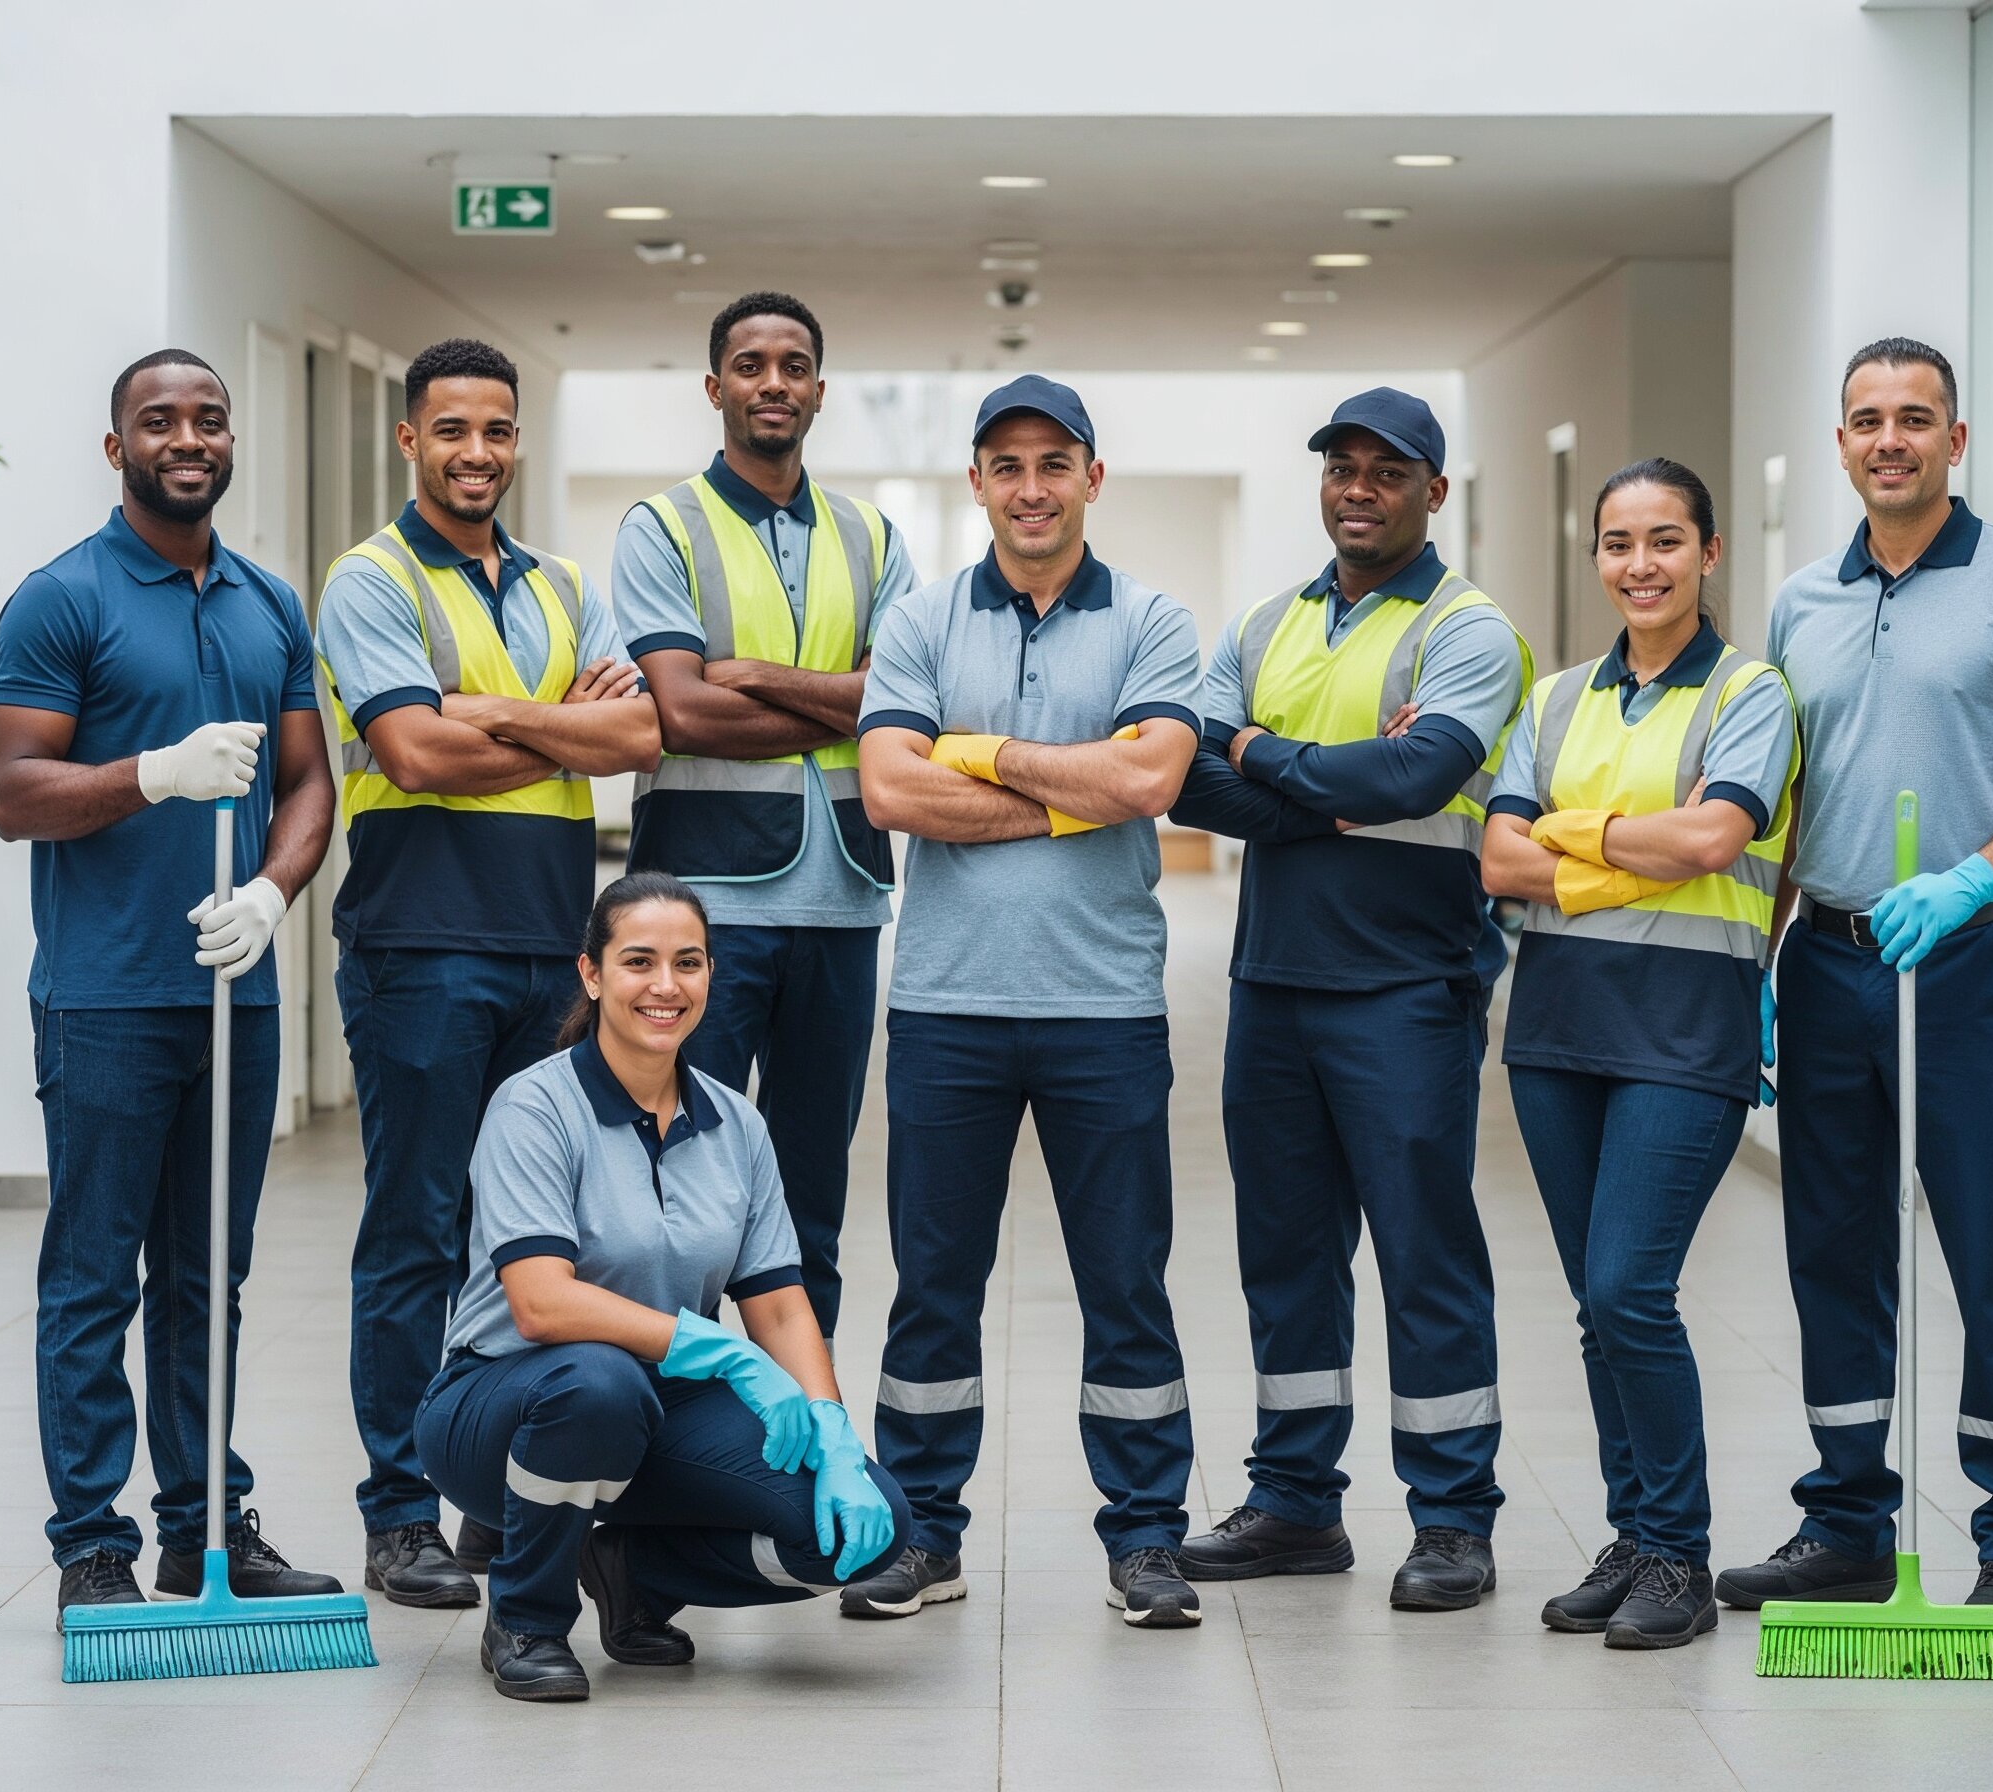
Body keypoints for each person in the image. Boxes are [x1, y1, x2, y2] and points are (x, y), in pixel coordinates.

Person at [1715, 338, 1993, 1614]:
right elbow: (1785, 794)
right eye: (1865, 419)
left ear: (1957, 438)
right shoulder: (1798, 603)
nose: (1889, 438)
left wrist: (1973, 877)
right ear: (1838, 443)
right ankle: (1843, 1522)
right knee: (1832, 1247)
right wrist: (1762, 954)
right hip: (1828, 960)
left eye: (1915, 417)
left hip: (1963, 958)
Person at [0, 349, 343, 1625]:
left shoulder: (267, 604)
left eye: (207, 419)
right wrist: (150, 774)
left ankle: (208, 1524)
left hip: (232, 998)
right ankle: (94, 1543)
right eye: (158, 421)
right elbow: (13, 794)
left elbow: (312, 783)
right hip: (105, 996)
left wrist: (270, 893)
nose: (187, 438)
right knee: (95, 1278)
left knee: (209, 1277)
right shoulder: (61, 599)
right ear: (116, 447)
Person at [845, 376, 1207, 1628]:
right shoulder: (922, 619)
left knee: (1125, 1280)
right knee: (933, 1280)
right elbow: (888, 790)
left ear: (1092, 477)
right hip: (947, 1004)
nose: (1032, 486)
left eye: (1055, 462)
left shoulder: (1155, 619)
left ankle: (1147, 1537)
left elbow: (1153, 772)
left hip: (1104, 1005)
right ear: (978, 483)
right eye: (1008, 464)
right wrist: (1075, 785)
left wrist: (976, 750)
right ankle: (921, 1531)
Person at [1167, 388, 1532, 1613]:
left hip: (1405, 989)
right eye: (1343, 468)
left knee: (1425, 1254)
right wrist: (1328, 786)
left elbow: (1420, 769)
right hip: (1271, 987)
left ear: (1434, 488)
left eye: (1389, 470)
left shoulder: (1469, 630)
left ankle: (1451, 1519)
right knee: (1285, 1255)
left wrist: (1264, 753)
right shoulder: (1268, 622)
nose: (1359, 488)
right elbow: (1185, 779)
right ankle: (1293, 1501)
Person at [315, 337, 662, 1608]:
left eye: (496, 431)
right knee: (416, 1232)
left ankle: (495, 1498)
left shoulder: (565, 581)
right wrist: (542, 714)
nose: (476, 452)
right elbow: (408, 752)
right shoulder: (369, 578)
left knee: (528, 1241)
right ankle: (400, 1509)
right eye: (451, 430)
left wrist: (488, 707)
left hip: (545, 960)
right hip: (420, 951)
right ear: (411, 440)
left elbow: (639, 732)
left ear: (517, 443)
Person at [418, 872, 906, 1700]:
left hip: (662, 1404)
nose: (665, 986)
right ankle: (526, 1621)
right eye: (639, 961)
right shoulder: (535, 1107)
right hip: (501, 1405)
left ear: (712, 975)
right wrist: (714, 1348)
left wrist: (832, 1428)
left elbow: (781, 1303)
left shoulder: (735, 1122)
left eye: (689, 962)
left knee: (865, 1531)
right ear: (592, 974)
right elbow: (540, 1303)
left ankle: (630, 1570)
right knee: (597, 1385)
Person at [1480, 458, 1798, 1649]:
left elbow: (1717, 832)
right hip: (1559, 1030)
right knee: (1592, 1304)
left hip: (1685, 1030)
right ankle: (1635, 1530)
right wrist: (1631, 848)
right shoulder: (1557, 697)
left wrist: (1570, 834)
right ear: (1598, 558)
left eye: (1666, 541)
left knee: (1630, 1286)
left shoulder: (1749, 691)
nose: (1641, 565)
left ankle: (1678, 1551)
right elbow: (1495, 860)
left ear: (1709, 554)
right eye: (1619, 544)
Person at [615, 292, 915, 1351]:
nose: (773, 382)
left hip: (840, 906)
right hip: (705, 914)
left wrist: (755, 675)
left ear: (820, 391)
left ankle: (799, 1433)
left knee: (808, 1199)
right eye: (750, 364)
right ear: (716, 388)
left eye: (793, 365)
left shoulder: (873, 535)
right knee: (681, 1192)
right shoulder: (663, 527)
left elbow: (900, 708)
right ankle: (677, 1453)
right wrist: (827, 693)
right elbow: (681, 712)